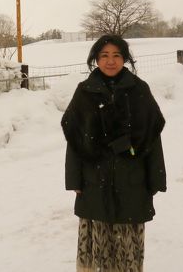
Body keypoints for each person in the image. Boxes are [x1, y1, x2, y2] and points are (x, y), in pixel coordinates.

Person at [61, 35, 166, 272]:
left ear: (125, 59)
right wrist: (74, 180)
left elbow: (153, 138)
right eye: (104, 56)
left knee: (127, 245)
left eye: (116, 55)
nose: (110, 61)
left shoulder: (139, 90)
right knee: (96, 243)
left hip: (132, 179)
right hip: (93, 180)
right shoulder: (84, 91)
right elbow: (74, 140)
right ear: (95, 60)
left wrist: (154, 179)